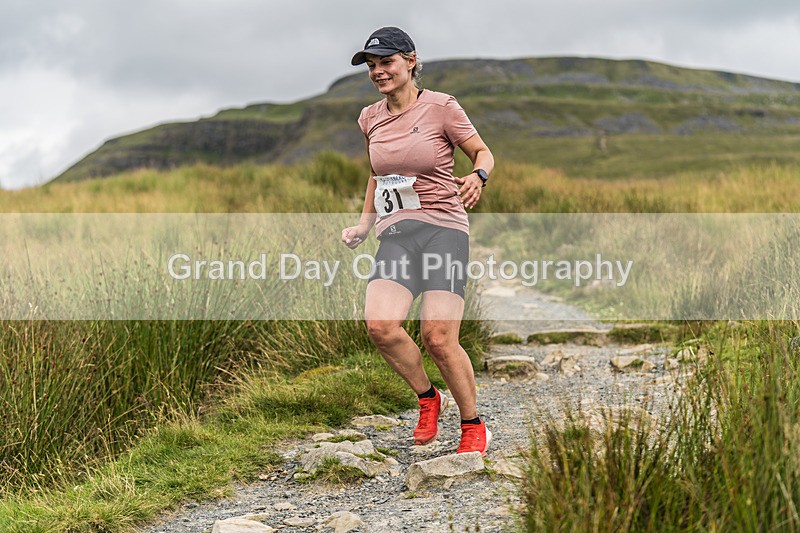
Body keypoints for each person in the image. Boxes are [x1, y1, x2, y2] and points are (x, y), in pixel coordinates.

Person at [341, 27, 495, 456]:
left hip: (443, 229)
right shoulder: (368, 117)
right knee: (381, 326)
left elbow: (483, 152)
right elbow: (377, 176)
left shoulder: (442, 107)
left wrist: (478, 176)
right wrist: (363, 225)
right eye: (371, 66)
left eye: (386, 62)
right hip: (397, 233)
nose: (378, 72)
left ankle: (472, 423)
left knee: (439, 337)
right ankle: (429, 398)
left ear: (410, 61)